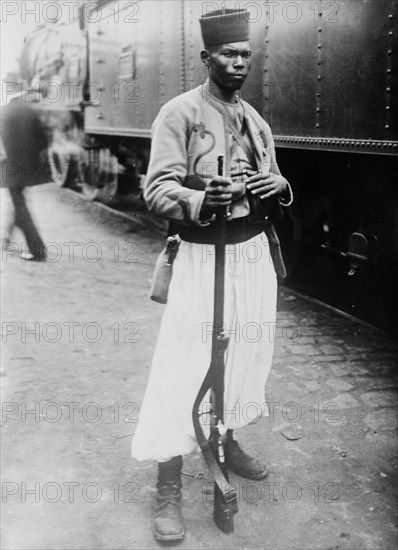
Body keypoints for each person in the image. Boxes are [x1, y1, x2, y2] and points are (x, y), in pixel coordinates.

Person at [131, 8, 293, 542]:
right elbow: (156, 190)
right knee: (186, 365)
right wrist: (204, 198)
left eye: (246, 53)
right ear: (206, 57)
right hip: (203, 257)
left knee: (246, 354)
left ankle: (225, 441)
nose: (239, 61)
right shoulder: (178, 113)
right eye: (229, 53)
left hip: (251, 257)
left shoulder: (255, 119)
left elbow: (273, 177)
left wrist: (279, 188)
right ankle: (169, 485)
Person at [1, 91, 49, 261]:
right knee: (18, 200)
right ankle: (5, 239)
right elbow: (44, 140)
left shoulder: (3, 111)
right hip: (28, 167)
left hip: (10, 167)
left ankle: (37, 251)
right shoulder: (30, 111)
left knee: (20, 206)